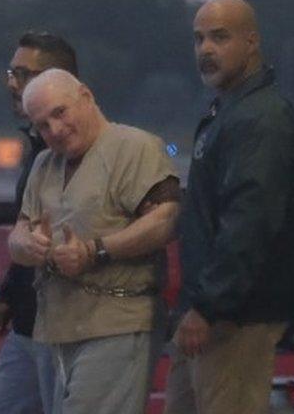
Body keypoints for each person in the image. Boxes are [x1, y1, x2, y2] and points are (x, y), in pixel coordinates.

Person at [163, 0, 294, 414]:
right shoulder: (231, 111)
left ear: (252, 42)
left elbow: (249, 220)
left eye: (220, 37)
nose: (205, 49)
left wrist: (209, 306)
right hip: (212, 308)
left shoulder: (261, 118)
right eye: (198, 39)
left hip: (235, 317)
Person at [9, 69, 180, 414]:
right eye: (42, 125)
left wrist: (95, 251)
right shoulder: (44, 163)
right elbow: (19, 231)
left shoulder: (135, 147)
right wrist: (26, 245)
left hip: (116, 322)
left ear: (85, 97)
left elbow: (166, 219)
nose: (54, 130)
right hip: (56, 327)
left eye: (60, 113)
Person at [0, 31, 78, 414]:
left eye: (23, 74)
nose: (12, 83)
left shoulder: (77, 148)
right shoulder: (37, 150)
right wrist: (9, 293)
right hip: (28, 322)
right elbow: (32, 226)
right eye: (12, 72)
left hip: (63, 324)